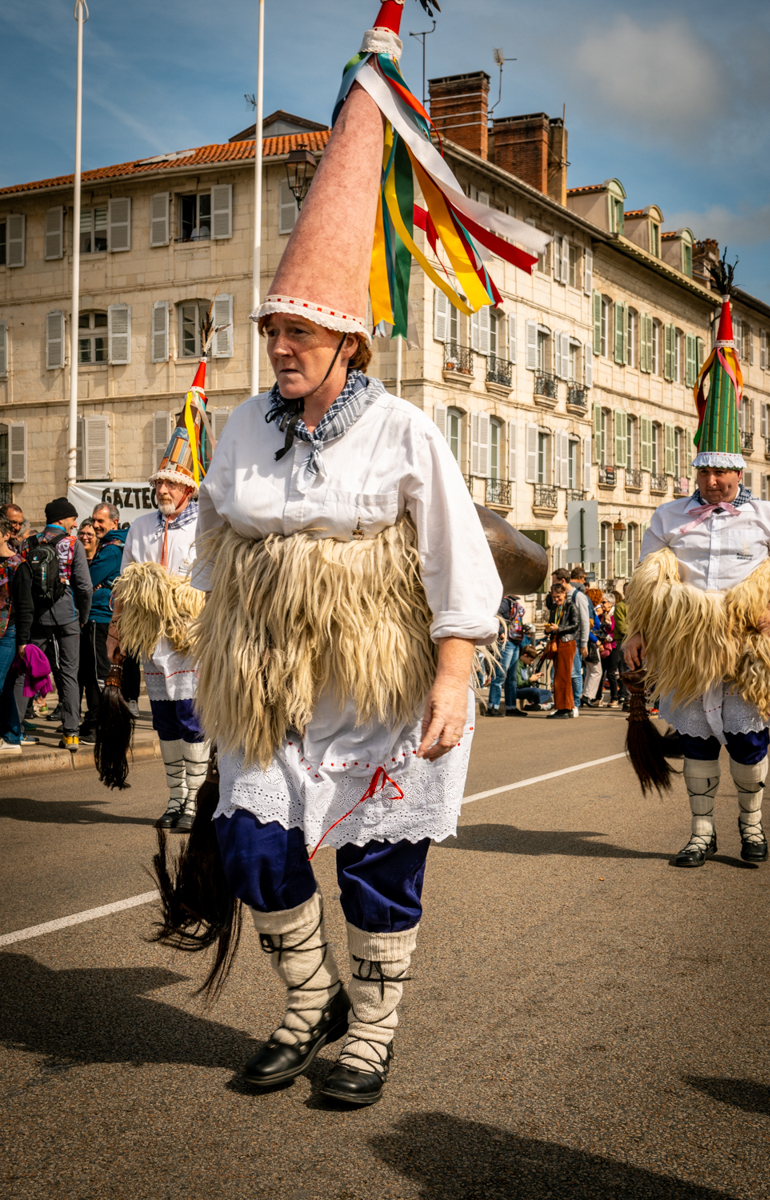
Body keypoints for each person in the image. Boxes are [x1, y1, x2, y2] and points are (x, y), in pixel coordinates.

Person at [154, 0, 519, 1109]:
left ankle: (370, 1032)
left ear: (348, 341)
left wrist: (453, 674)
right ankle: (308, 1004)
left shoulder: (401, 430)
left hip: (377, 686)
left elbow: (461, 562)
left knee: (375, 870)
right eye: (272, 332)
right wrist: (184, 650)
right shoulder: (244, 430)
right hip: (270, 684)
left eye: (298, 334)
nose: (280, 349)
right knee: (259, 852)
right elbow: (212, 546)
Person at [623, 263, 770, 867]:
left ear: (740, 472)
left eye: (724, 472)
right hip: (687, 644)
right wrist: (637, 635)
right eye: (706, 471)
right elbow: (646, 583)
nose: (716, 481)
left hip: (748, 642)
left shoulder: (767, 516)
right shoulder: (670, 516)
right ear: (697, 471)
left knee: (749, 740)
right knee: (697, 740)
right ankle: (702, 832)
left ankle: (751, 827)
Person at [109, 438, 209, 832]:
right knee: (164, 720)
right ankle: (175, 797)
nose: (162, 490)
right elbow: (123, 583)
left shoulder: (205, 523)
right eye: (159, 484)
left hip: (190, 639)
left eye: (171, 483)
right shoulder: (141, 526)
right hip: (152, 640)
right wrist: (115, 631)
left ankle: (196, 801)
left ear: (189, 487)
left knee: (192, 718)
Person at [25, 498, 92, 752]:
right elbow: (84, 587)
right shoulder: (73, 545)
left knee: (24, 671)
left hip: (36, 617)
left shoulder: (29, 542)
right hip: (67, 616)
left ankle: (15, 729)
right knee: (69, 673)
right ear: (62, 519)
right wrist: (82, 616)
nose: (75, 524)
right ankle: (71, 733)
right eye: (73, 519)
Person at [78, 504, 127, 745]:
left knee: (97, 675)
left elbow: (85, 579)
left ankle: (98, 725)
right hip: (102, 619)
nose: (96, 525)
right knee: (95, 674)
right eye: (94, 520)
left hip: (100, 619)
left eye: (101, 521)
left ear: (115, 523)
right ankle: (97, 721)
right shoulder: (113, 545)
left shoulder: (111, 550)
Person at [0, 514, 36, 754]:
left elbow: (25, 607)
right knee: (3, 687)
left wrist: (23, 641)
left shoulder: (17, 565)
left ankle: (11, 736)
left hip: (8, 633)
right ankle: (13, 735)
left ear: (5, 534)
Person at [486, 594, 528, 716]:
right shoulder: (505, 602)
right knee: (500, 676)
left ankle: (511, 707)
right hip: (507, 642)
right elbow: (495, 615)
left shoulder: (513, 602)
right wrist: (500, 632)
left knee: (512, 678)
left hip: (514, 641)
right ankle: (493, 706)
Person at [544, 580, 579, 719]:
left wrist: (559, 628)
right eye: (554, 597)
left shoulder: (571, 606)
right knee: (559, 676)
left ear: (564, 593)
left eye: (558, 597)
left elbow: (575, 625)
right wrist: (548, 630)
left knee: (563, 675)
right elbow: (554, 624)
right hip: (557, 641)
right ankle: (563, 707)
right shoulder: (554, 608)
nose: (556, 600)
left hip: (567, 642)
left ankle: (565, 708)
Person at [567, 568, 590, 715]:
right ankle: (567, 702)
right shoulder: (561, 596)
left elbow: (584, 621)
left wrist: (584, 643)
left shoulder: (578, 596)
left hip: (575, 639)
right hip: (565, 640)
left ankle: (575, 703)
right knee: (566, 673)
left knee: (575, 672)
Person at [515, 646, 553, 711]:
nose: (532, 662)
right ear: (525, 655)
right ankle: (538, 704)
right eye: (531, 660)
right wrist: (530, 680)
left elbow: (526, 680)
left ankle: (534, 704)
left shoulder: (525, 665)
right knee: (536, 691)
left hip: (525, 688)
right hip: (518, 690)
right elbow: (518, 684)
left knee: (548, 693)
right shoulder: (517, 665)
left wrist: (535, 676)